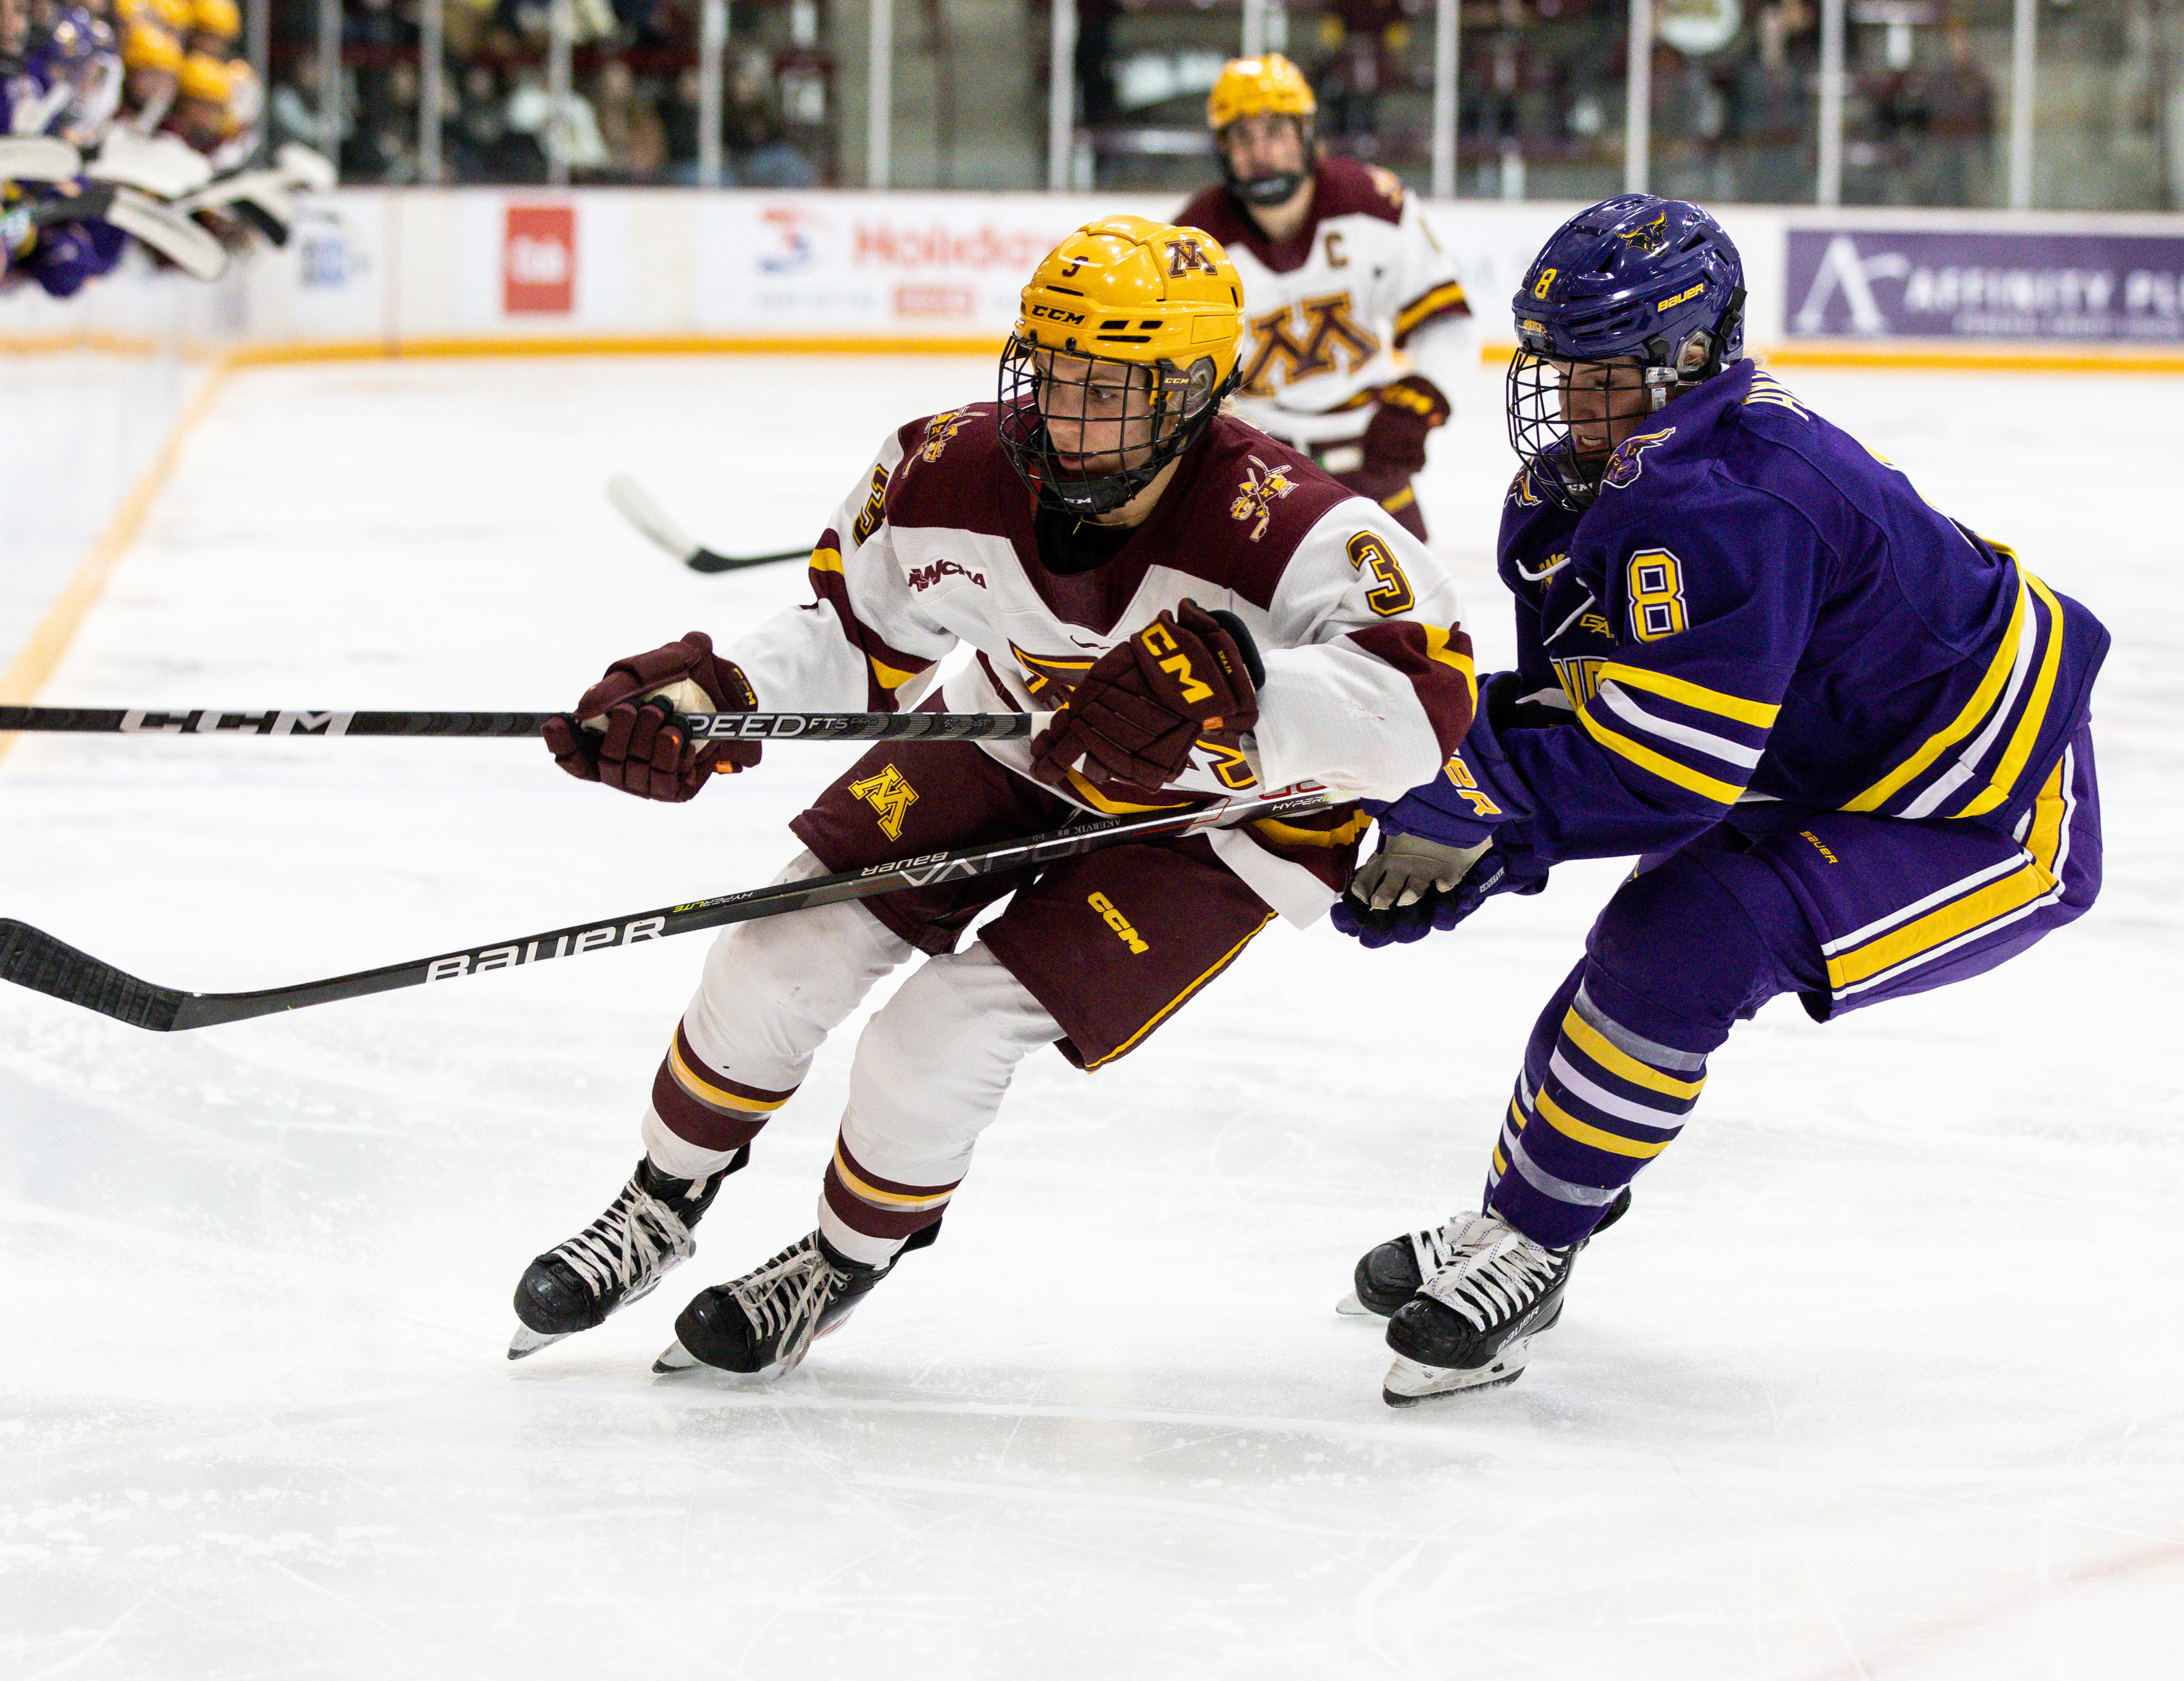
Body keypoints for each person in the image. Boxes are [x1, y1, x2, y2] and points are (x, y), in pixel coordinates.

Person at [510, 216, 1478, 1379]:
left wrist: (1252, 697)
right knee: (781, 942)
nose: (1070, 413)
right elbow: (849, 631)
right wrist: (714, 694)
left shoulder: (1293, 524)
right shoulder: (944, 465)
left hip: (1217, 820)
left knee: (941, 1034)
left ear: (1196, 392)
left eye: (1111, 387)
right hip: (1019, 728)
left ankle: (836, 1260)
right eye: (1056, 370)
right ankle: (660, 1199)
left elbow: (1422, 709)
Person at [1328, 196, 2108, 1405]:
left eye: (1602, 372)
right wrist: (1459, 799)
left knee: (1684, 940)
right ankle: (1520, 1218)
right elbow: (1583, 703)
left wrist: (1489, 813)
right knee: (1638, 951)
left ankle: (1536, 1238)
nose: (1565, 400)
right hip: (1827, 754)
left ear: (1690, 356)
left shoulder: (1735, 493)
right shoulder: (1585, 491)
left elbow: (1667, 774)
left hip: (1982, 799)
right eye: (1553, 367)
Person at [1173, 54, 1479, 543]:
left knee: (1414, 613)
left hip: (1367, 455)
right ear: (1221, 151)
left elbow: (1445, 322)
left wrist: (1417, 404)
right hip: (1255, 464)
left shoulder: (1373, 203)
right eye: (1242, 138)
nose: (1261, 152)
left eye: (1275, 132)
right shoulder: (1194, 242)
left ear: (1306, 134)